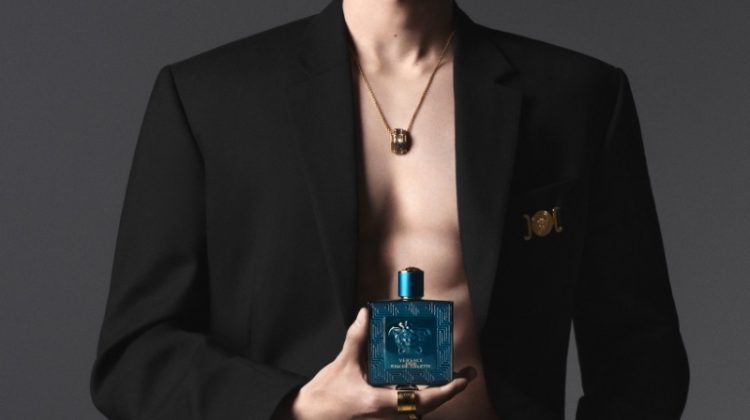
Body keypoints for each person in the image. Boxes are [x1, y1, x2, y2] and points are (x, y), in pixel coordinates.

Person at [89, 0, 690, 418]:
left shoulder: (576, 96)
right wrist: (296, 407)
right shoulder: (210, 98)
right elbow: (134, 356)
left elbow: (641, 348)